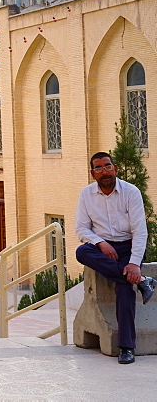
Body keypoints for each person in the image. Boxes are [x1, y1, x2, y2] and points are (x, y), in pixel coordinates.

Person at [75, 151, 156, 364]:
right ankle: (143, 282)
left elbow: (140, 232)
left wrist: (133, 264)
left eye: (108, 166)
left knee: (123, 287)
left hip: (130, 247)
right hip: (103, 248)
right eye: (99, 168)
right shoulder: (86, 194)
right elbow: (82, 229)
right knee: (82, 251)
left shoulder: (131, 192)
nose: (105, 172)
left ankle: (126, 347)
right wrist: (101, 243)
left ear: (115, 168)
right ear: (93, 173)